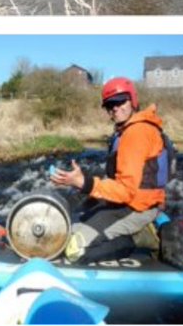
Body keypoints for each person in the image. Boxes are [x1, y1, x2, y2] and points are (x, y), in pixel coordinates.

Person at [49, 77, 172, 263]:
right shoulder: (125, 131)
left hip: (138, 207)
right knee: (72, 225)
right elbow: (118, 181)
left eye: (120, 101)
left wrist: (84, 183)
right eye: (109, 105)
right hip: (125, 203)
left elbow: (126, 191)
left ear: (133, 101)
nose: (115, 108)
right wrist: (85, 185)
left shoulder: (136, 133)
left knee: (74, 250)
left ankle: (138, 238)